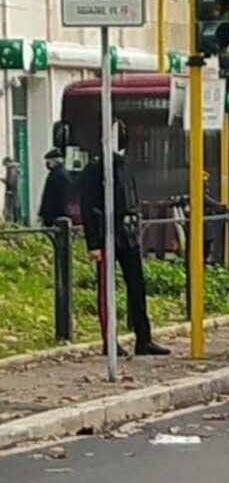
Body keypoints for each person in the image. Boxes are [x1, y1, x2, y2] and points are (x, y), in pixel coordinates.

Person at [81, 120, 170, 356]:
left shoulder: (126, 165)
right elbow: (88, 207)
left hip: (128, 235)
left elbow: (131, 199)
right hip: (106, 235)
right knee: (107, 291)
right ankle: (109, 341)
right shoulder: (95, 169)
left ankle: (144, 338)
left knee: (137, 287)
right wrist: (94, 243)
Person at [38, 148, 71, 227]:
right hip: (57, 213)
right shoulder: (59, 173)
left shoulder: (57, 175)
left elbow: (51, 197)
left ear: (55, 161)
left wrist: (46, 215)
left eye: (49, 162)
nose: (47, 164)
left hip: (56, 214)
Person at [2, 156, 20, 223]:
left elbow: (10, 181)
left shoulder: (11, 169)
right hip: (14, 191)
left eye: (5, 164)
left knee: (10, 208)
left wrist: (3, 180)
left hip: (11, 192)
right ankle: (15, 220)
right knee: (14, 206)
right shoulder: (15, 168)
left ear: (8, 162)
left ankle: (12, 221)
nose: (5, 166)